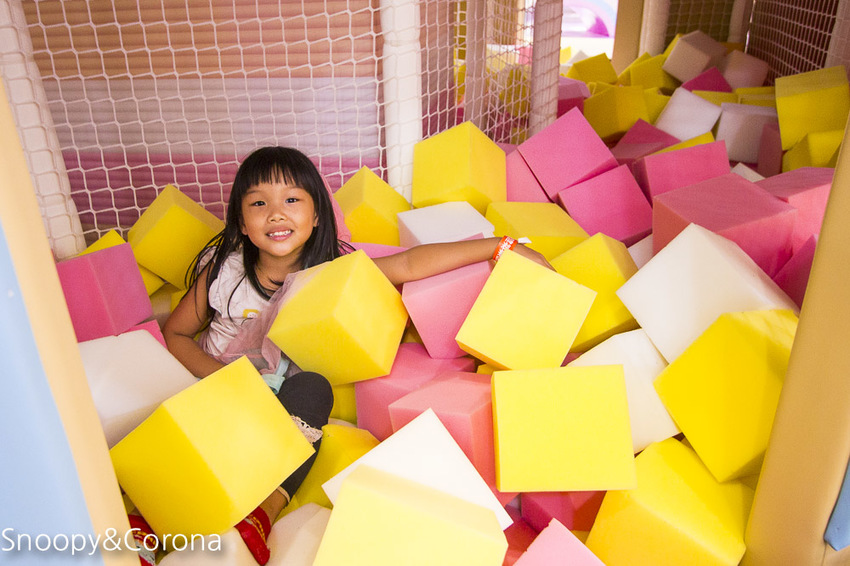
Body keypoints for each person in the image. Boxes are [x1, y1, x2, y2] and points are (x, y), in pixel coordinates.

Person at [156, 146, 551, 565]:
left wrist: (499, 247)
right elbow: (177, 333)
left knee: (313, 390)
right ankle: (151, 520)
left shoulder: (331, 271)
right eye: (258, 203)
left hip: (275, 399)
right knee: (179, 433)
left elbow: (410, 265)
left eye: (292, 200)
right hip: (214, 382)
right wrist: (221, 378)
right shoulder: (224, 272)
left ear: (317, 215)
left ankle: (261, 514)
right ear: (241, 221)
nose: (275, 214)